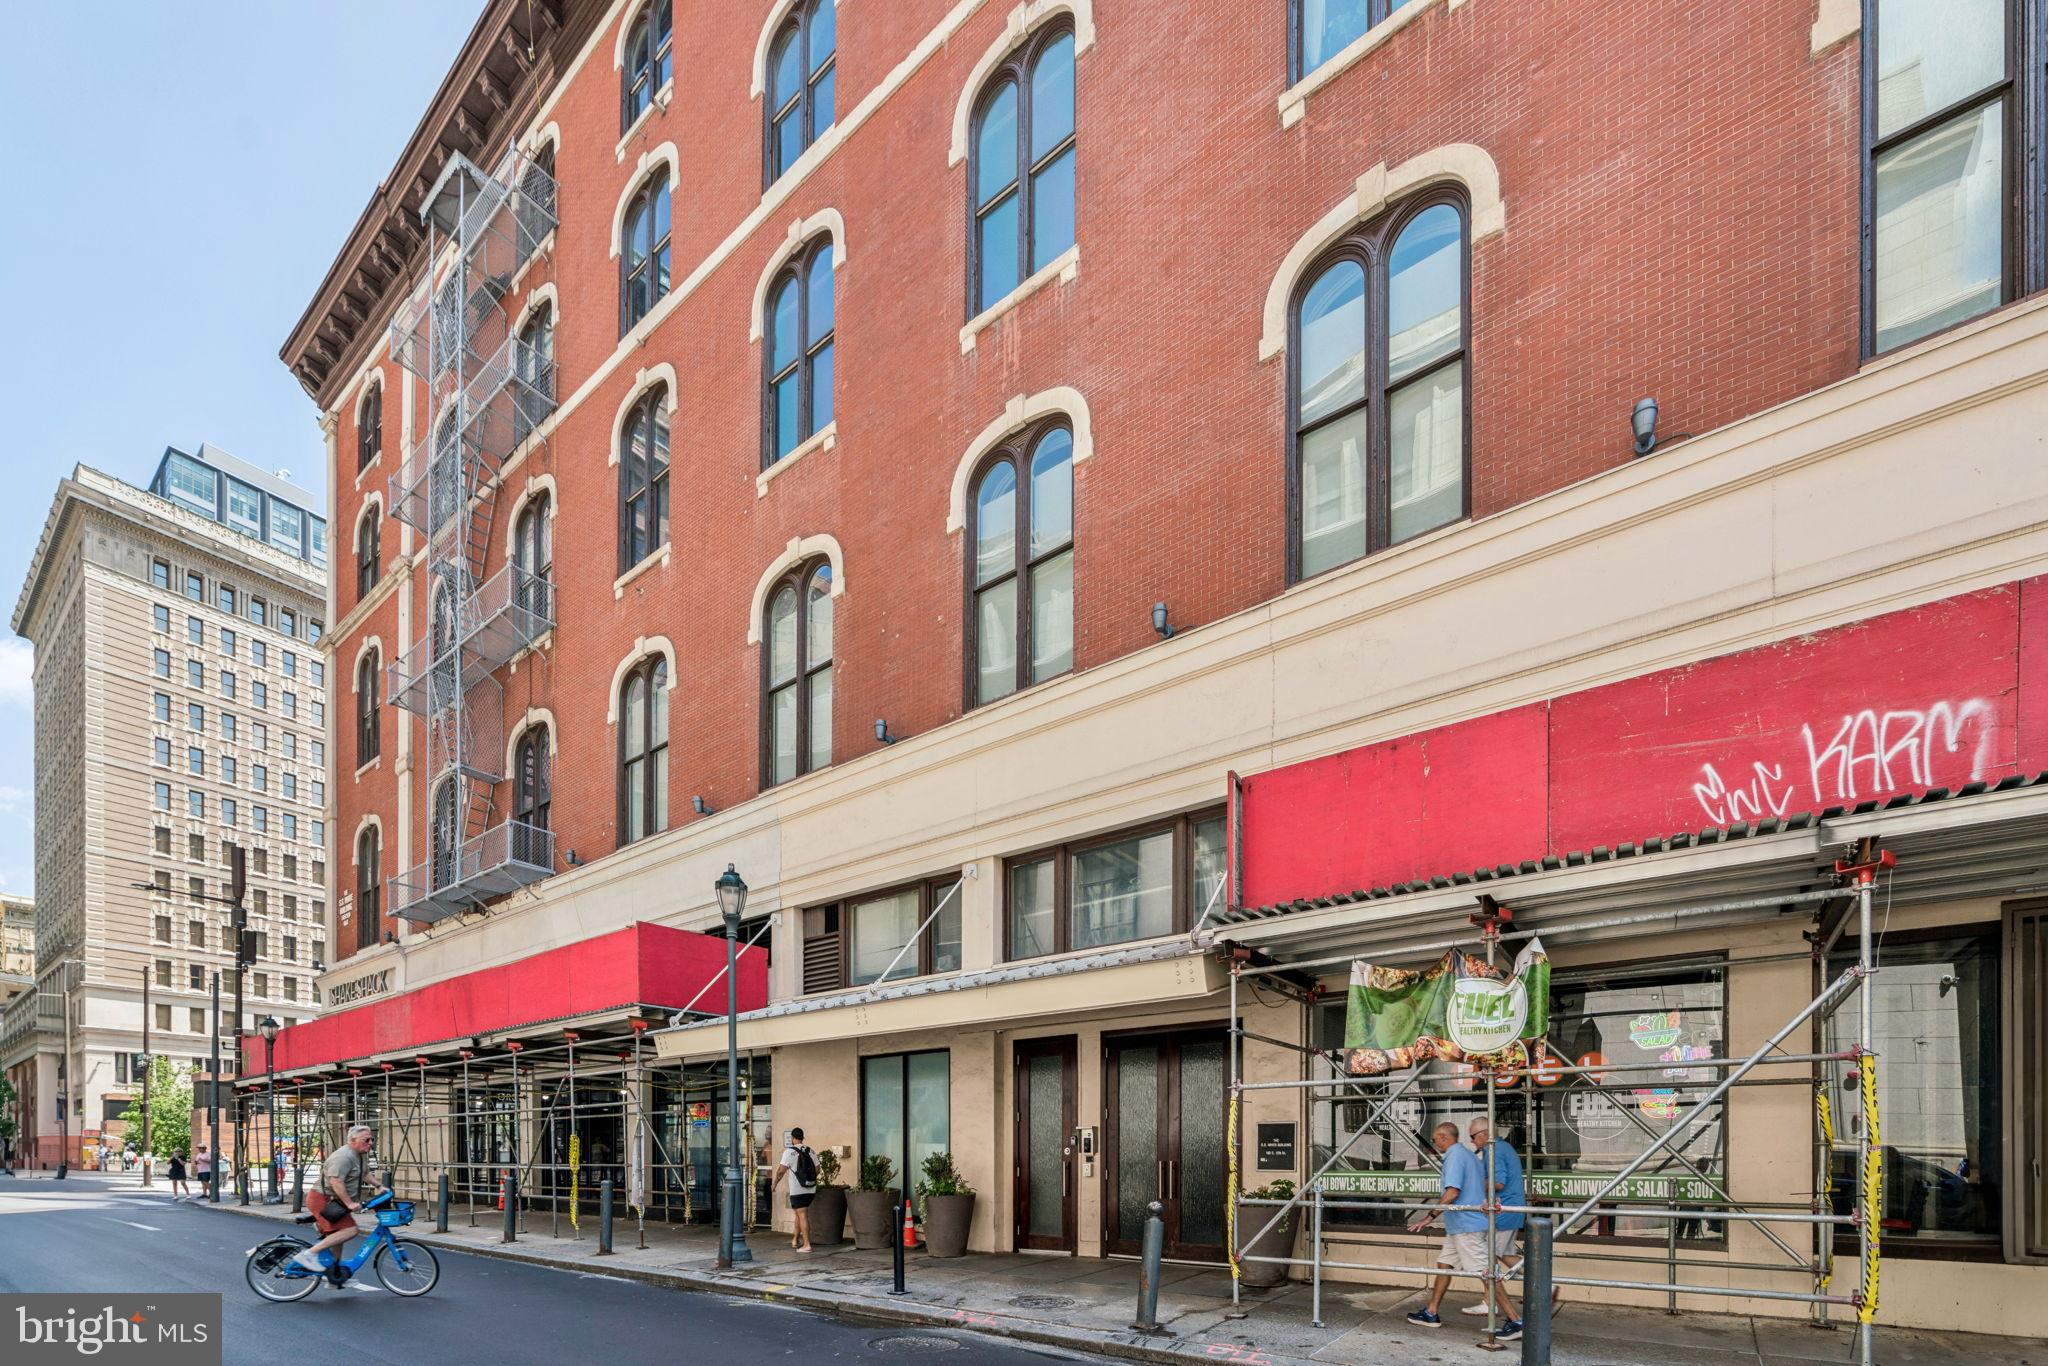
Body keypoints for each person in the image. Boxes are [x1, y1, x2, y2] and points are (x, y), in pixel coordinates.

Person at [1405, 1120, 1521, 1338]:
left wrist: (1429, 1216)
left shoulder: (1455, 1156)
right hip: (1460, 1225)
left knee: (1487, 1275)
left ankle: (1515, 1320)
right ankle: (1431, 1312)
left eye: (1434, 1139)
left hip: (1467, 1227)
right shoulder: (1469, 1155)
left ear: (1444, 1138)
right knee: (1444, 1265)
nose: (1434, 1143)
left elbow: (1452, 1192)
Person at [294, 1125, 375, 1275]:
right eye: (367, 1140)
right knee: (350, 1230)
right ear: (352, 1140)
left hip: (335, 1202)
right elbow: (336, 1181)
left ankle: (334, 1274)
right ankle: (308, 1255)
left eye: (372, 1139)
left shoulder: (360, 1154)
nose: (370, 1143)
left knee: (338, 1236)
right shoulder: (343, 1156)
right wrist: (349, 1203)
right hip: (323, 1200)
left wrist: (380, 1186)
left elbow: (365, 1174)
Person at [770, 1127, 817, 1252]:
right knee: (799, 1215)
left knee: (802, 1215)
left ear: (793, 1138)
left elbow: (781, 1171)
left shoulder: (789, 1152)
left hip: (798, 1190)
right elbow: (817, 1169)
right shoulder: (810, 1151)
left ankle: (807, 1245)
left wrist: (775, 1183)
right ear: (802, 1137)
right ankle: (795, 1240)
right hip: (811, 1189)